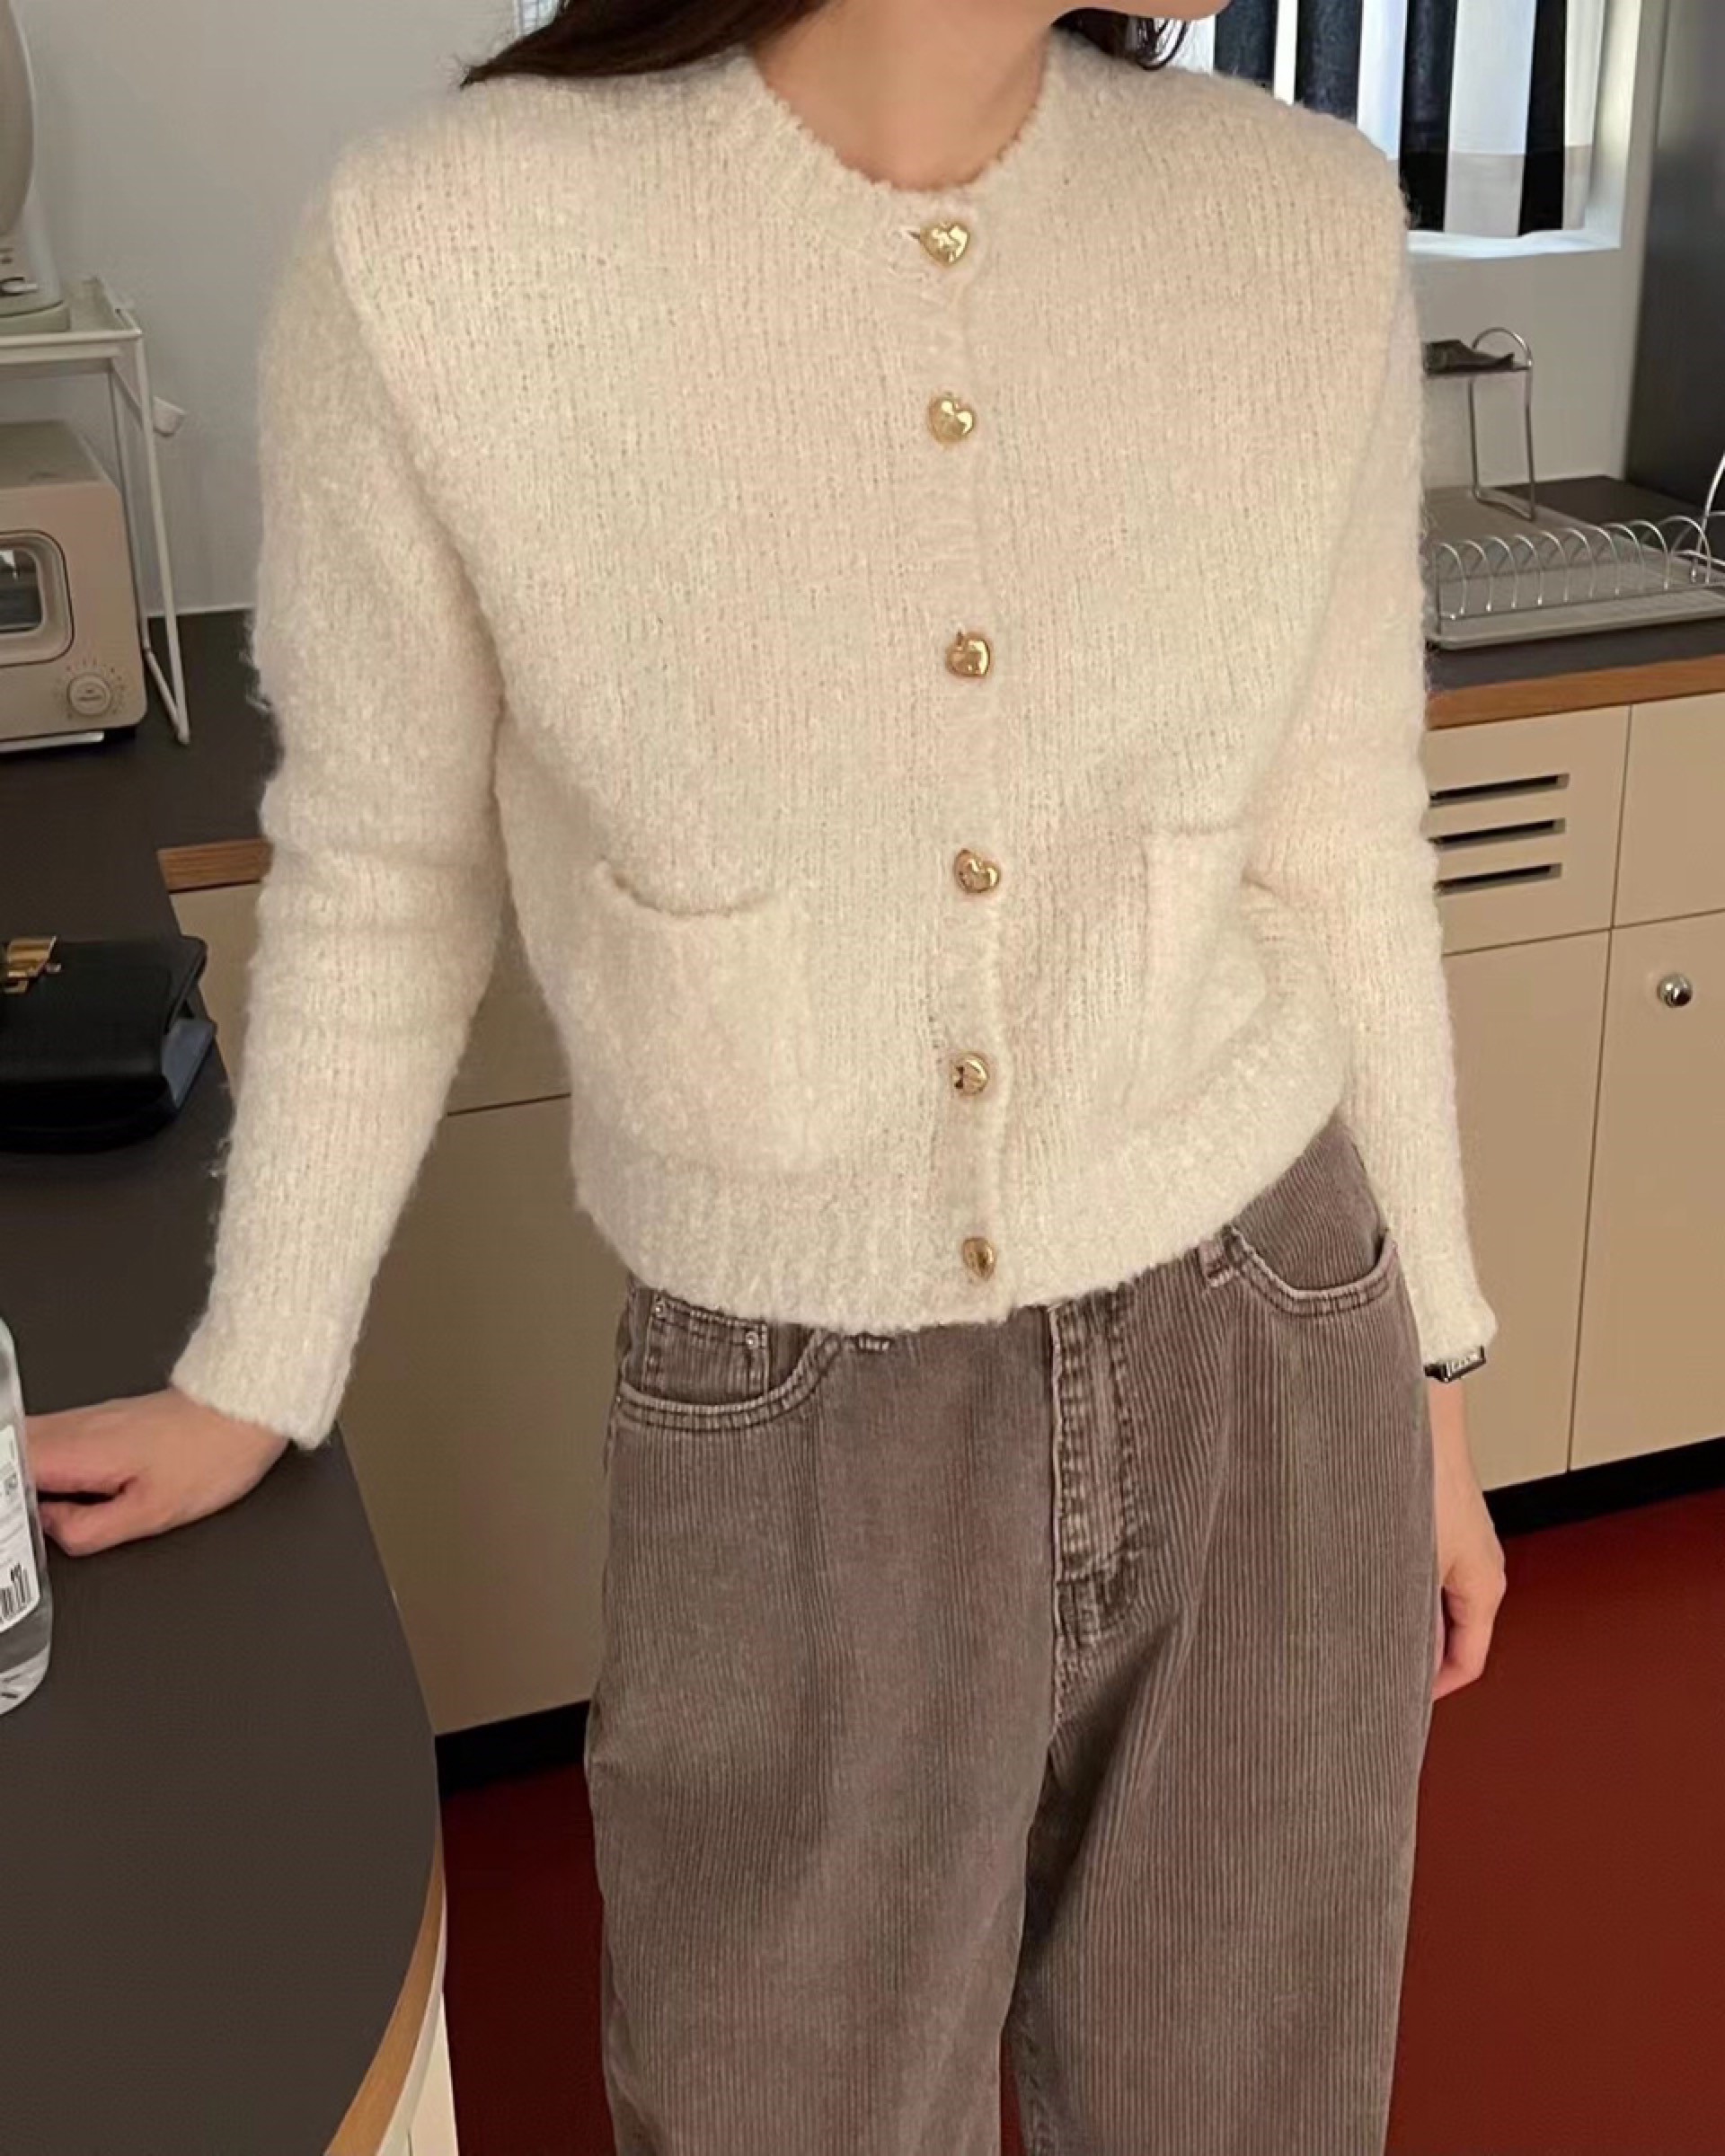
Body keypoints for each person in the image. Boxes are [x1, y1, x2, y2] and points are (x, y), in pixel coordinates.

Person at [28, 3, 1509, 2150]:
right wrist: (258, 1370)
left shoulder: (1295, 219)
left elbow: (1343, 828)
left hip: (1277, 1346)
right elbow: (387, 865)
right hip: (795, 1402)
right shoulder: (453, 250)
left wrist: (1433, 1386)